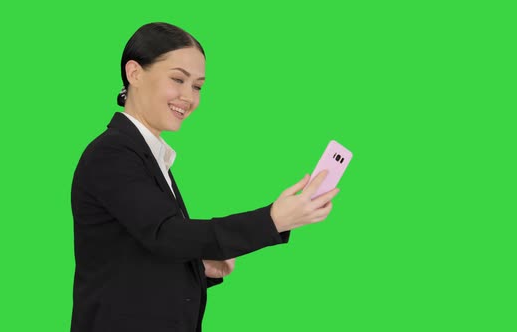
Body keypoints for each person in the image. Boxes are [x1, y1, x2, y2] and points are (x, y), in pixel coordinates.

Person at [70, 22, 340, 332]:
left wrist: (199, 267)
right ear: (134, 73)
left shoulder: (148, 156)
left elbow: (138, 256)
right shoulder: (112, 154)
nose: (189, 97)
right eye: (178, 79)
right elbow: (167, 235)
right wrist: (272, 220)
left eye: (197, 86)